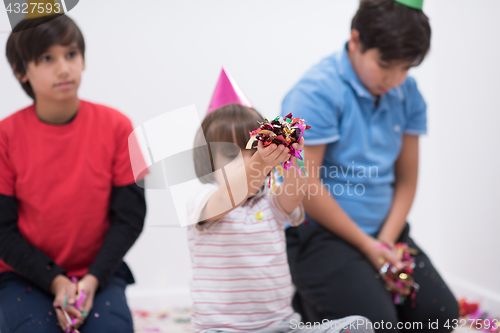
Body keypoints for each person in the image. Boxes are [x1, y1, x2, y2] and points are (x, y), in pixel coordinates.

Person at [281, 0, 459, 332]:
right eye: (385, 64)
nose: (394, 79)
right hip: (320, 234)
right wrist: (367, 246)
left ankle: (354, 286)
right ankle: (307, 304)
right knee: (373, 324)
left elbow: (406, 178)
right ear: (355, 41)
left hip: (384, 233)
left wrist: (386, 243)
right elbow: (304, 187)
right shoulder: (315, 92)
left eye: (405, 68)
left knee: (441, 315)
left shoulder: (407, 93)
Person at [186, 69, 373, 333]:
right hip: (221, 328)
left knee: (353, 326)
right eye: (230, 155)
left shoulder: (269, 203)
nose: (244, 162)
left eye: (251, 150)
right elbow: (230, 195)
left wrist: (293, 151)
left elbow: (296, 189)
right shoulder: (201, 199)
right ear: (207, 162)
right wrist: (260, 162)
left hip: (279, 325)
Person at [0, 14, 147, 333]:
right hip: (24, 276)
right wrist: (54, 280)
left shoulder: (120, 127)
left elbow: (131, 216)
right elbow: (2, 230)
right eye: (46, 58)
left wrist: (93, 279)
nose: (64, 68)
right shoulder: (5, 137)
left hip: (99, 274)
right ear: (20, 71)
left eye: (71, 54)